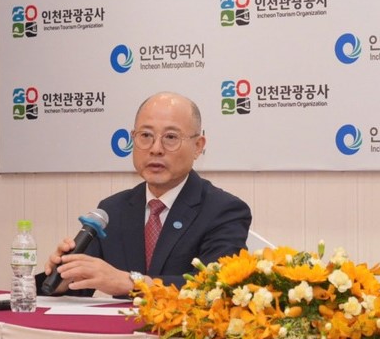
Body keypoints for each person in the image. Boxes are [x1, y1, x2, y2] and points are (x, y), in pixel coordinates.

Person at [37, 91, 252, 297]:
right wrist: (63, 280)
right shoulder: (113, 210)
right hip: (121, 333)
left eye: (170, 137)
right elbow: (85, 282)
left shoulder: (224, 210)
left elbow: (216, 287)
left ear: (198, 146)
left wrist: (131, 282)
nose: (155, 148)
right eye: (146, 135)